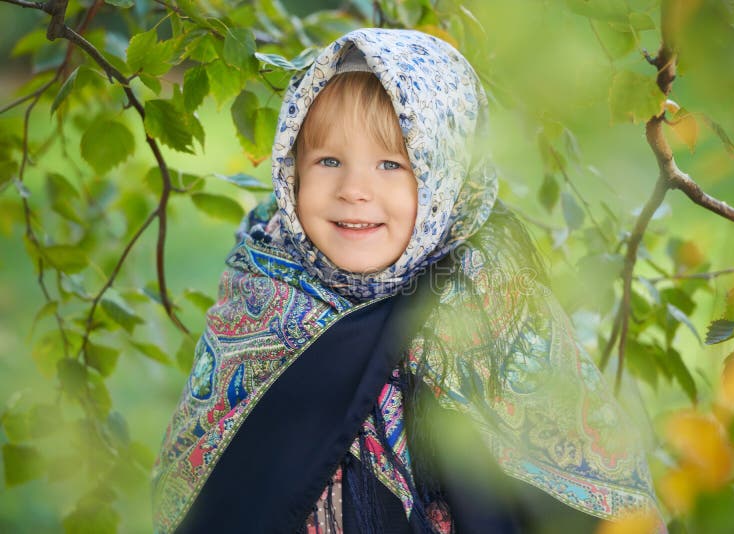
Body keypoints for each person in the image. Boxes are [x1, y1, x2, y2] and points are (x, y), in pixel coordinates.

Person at [152, 28, 664, 533]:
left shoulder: (490, 297)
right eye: (328, 160)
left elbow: (586, 465)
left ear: (442, 177)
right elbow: (207, 488)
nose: (354, 189)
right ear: (293, 171)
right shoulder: (263, 290)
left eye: (392, 164)